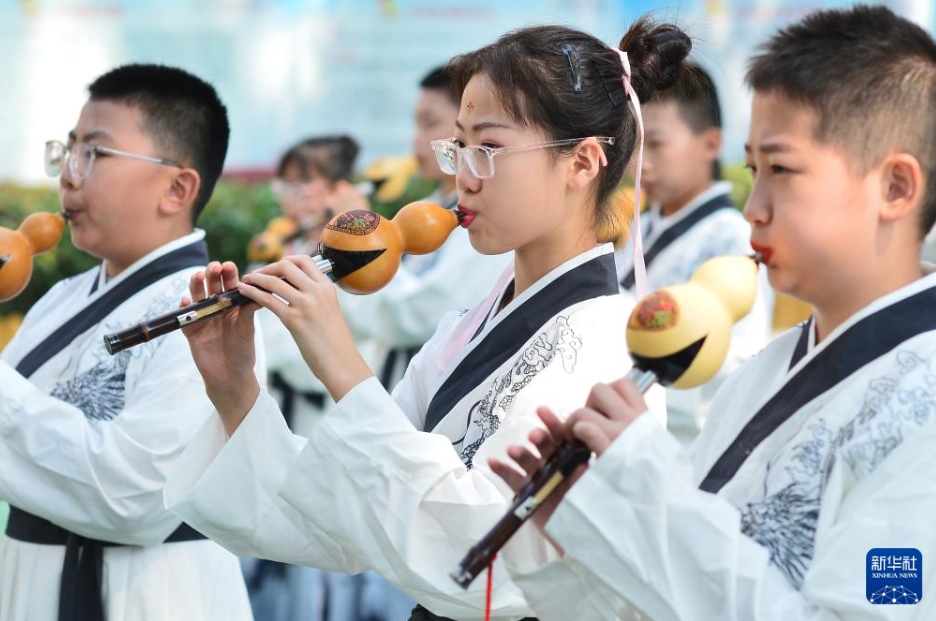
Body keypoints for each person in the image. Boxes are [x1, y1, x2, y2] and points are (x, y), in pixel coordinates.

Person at [164, 18, 693, 621]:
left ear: (583, 162)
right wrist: (236, 391)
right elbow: (346, 519)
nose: (464, 176)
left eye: (489, 149)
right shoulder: (464, 329)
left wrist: (340, 362)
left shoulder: (610, 346)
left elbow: (486, 567)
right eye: (459, 147)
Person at [490, 5, 936, 620]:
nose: (754, 207)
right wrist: (578, 521)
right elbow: (662, 594)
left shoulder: (927, 403)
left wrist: (646, 481)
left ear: (895, 188)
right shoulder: (762, 372)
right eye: (754, 170)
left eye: (782, 169)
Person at [0, 64, 254, 621]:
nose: (67, 176)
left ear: (177, 187)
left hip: (154, 595)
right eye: (67, 152)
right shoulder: (63, 297)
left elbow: (136, 497)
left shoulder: (209, 309)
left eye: (94, 153)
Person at [244, 134, 372, 621]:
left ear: (339, 190)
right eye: (287, 184)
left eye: (304, 184)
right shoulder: (286, 245)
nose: (290, 195)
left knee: (318, 546)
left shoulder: (357, 256)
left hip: (320, 413)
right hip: (281, 403)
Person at [614, 61, 773, 445]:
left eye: (655, 143)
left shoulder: (733, 241)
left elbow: (736, 363)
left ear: (711, 144)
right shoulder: (641, 226)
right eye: (631, 144)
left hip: (678, 444)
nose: (638, 162)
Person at [340, 66, 513, 391]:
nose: (417, 140)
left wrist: (359, 244)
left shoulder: (488, 222)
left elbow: (414, 315)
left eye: (430, 124)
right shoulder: (431, 208)